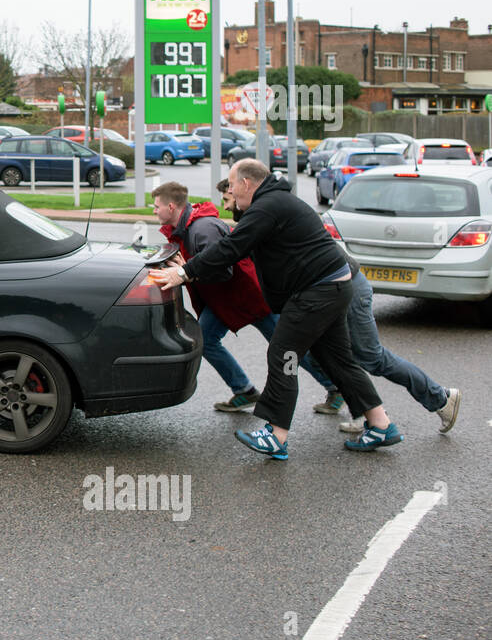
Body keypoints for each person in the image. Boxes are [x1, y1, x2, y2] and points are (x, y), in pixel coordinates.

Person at [152, 159, 400, 458]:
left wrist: (184, 272)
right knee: (338, 360)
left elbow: (232, 248)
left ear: (246, 183)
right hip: (333, 286)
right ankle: (381, 424)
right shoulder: (275, 202)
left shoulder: (266, 207)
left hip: (318, 291)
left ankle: (276, 434)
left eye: (231, 185)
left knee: (283, 355)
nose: (228, 192)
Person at [217, 178, 460, 435]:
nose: (227, 198)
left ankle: (439, 398)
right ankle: (372, 417)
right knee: (332, 354)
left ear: (245, 189)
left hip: (346, 287)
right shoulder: (258, 217)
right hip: (330, 287)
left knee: (369, 357)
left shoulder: (266, 213)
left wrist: (189, 271)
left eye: (229, 195)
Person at [151, 181, 336, 412]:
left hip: (251, 297)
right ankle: (244, 391)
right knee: (205, 341)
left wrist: (188, 273)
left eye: (156, 206)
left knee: (290, 347)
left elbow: (223, 270)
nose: (154, 210)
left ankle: (335, 387)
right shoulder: (186, 228)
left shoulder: (202, 229)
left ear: (171, 206)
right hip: (226, 299)